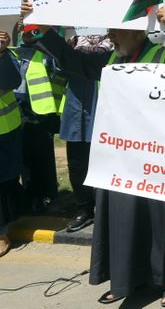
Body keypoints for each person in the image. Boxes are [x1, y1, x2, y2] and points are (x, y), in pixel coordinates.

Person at [21, 0, 165, 307]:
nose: (109, 34)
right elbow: (71, 59)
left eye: (115, 29)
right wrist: (43, 29)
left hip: (155, 158)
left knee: (159, 219)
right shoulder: (110, 58)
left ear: (136, 31)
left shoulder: (158, 55)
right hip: (117, 157)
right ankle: (127, 279)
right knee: (121, 218)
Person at [60, 35, 113, 233]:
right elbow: (57, 67)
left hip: (103, 113)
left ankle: (105, 210)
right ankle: (84, 210)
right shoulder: (72, 42)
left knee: (105, 165)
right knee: (77, 166)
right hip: (75, 113)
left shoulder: (116, 45)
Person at [13, 22, 64, 214]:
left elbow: (59, 70)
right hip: (20, 113)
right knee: (26, 160)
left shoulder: (46, 53)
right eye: (24, 30)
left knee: (44, 158)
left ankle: (51, 195)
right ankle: (32, 197)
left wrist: (44, 37)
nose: (28, 34)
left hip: (42, 114)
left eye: (32, 30)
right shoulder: (13, 52)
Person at [0, 30, 23, 257]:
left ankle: (2, 234)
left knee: (4, 183)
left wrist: (1, 53)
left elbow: (12, 80)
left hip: (4, 127)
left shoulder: (5, 53)